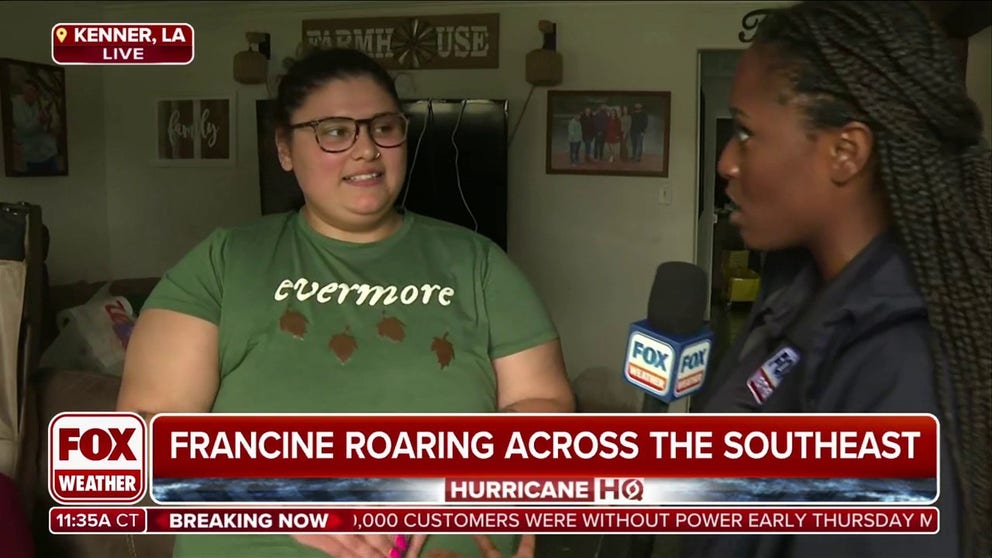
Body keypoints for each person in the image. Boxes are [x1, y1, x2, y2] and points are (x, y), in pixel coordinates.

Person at [118, 47, 574, 558]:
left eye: (383, 127)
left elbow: (544, 403)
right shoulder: (225, 260)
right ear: (285, 149)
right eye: (335, 131)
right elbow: (143, 429)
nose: (366, 150)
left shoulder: (478, 263)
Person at [686, 2, 990, 558]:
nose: (727, 161)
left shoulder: (898, 371)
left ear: (845, 153)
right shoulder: (799, 296)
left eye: (747, 133)